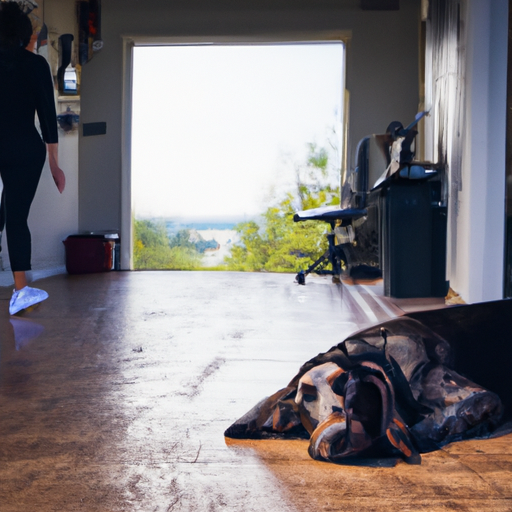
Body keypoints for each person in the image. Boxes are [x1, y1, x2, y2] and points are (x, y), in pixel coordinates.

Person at [0, 2, 66, 315]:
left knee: (6, 212)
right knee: (15, 216)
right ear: (25, 33)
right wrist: (54, 162)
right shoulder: (35, 64)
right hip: (25, 149)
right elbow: (48, 117)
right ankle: (21, 290)